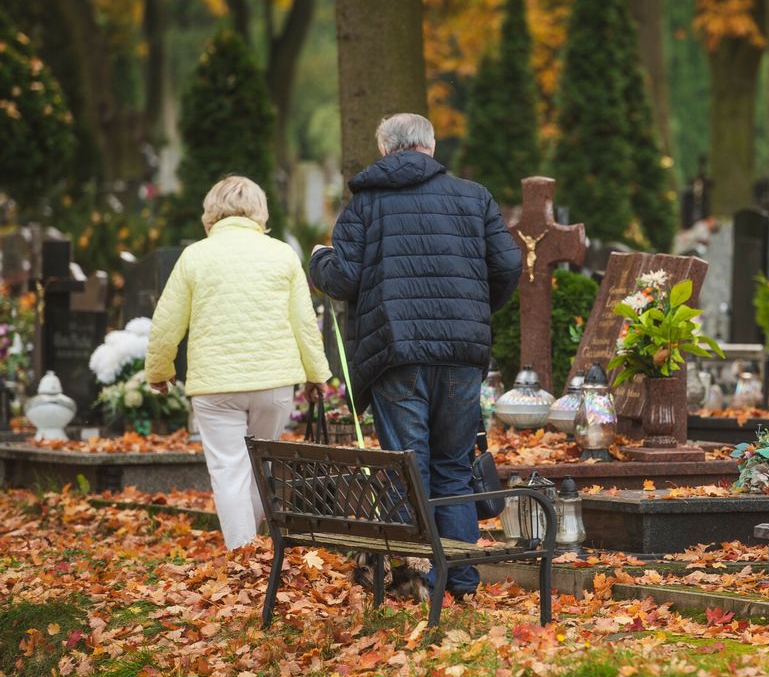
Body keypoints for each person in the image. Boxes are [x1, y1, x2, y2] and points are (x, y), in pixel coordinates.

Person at [310, 113, 521, 598]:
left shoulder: (365, 203)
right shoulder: (474, 196)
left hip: (396, 352)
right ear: (430, 146)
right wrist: (475, 307)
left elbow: (343, 280)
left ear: (386, 149)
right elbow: (508, 263)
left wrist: (320, 260)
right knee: (452, 464)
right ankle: (460, 580)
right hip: (462, 352)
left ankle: (414, 580)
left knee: (409, 465)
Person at [145, 176, 332, 550]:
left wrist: (159, 371)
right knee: (262, 469)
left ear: (211, 211)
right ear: (260, 211)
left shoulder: (195, 256)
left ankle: (244, 556)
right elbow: (304, 323)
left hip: (215, 387)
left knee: (229, 471)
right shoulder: (282, 254)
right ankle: (254, 552)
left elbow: (167, 321)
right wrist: (317, 375)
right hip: (273, 384)